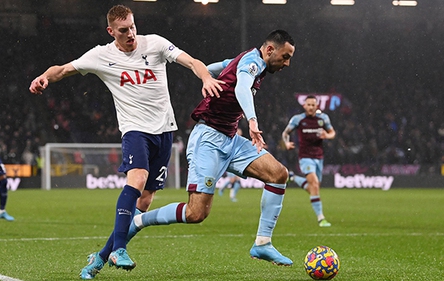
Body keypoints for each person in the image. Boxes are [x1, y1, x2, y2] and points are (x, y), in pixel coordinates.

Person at [28, 5, 223, 280]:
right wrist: (44, 78)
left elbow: (191, 61)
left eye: (132, 26)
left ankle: (100, 257)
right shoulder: (100, 55)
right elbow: (62, 69)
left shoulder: (154, 44)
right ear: (111, 31)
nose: (131, 33)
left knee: (145, 200)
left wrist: (205, 76)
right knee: (138, 177)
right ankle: (119, 248)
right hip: (134, 130)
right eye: (123, 30)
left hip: (165, 131)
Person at [126, 30, 296, 269]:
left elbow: (216, 68)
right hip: (208, 139)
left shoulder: (245, 60)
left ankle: (263, 243)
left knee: (278, 175)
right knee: (196, 214)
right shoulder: (252, 61)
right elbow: (241, 88)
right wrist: (253, 122)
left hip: (230, 138)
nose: (287, 63)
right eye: (285, 56)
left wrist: (209, 78)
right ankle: (138, 221)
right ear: (270, 50)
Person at [282, 95, 336, 227]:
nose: (311, 107)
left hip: (319, 157)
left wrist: (327, 135)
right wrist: (287, 143)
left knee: (313, 188)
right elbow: (285, 133)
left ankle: (293, 177)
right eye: (309, 105)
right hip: (305, 157)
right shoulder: (298, 119)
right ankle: (321, 218)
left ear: (316, 106)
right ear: (304, 106)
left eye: (313, 105)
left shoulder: (323, 118)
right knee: (315, 185)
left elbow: (332, 132)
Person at [219, 128, 243, 202]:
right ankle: (223, 189)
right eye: (238, 133)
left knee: (237, 181)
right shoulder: (230, 141)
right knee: (233, 180)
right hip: (229, 162)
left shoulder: (240, 142)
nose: (239, 134)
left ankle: (232, 196)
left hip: (237, 162)